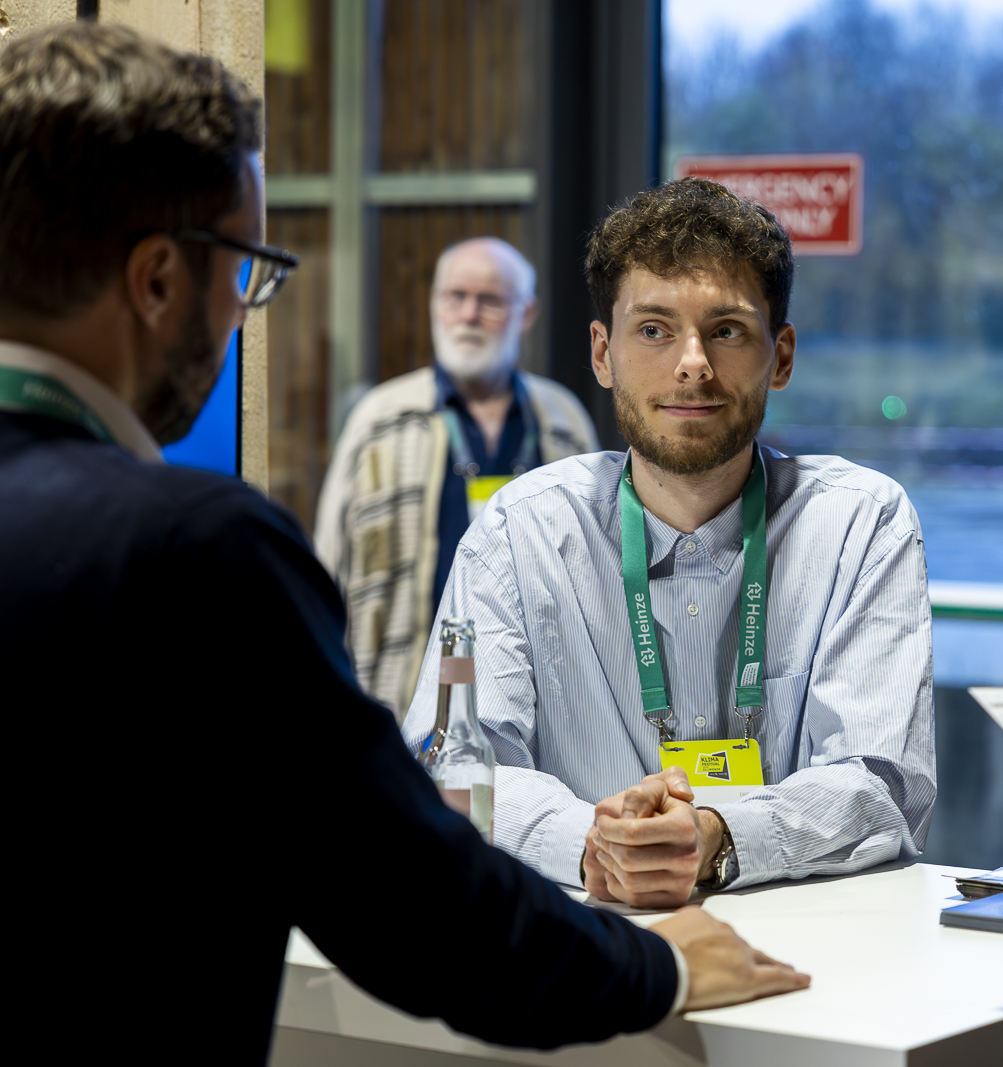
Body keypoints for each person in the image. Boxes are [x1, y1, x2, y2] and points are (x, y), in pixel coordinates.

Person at [0, 23, 805, 1062]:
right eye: (244, 270)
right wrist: (665, 965)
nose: (244, 311)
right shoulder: (194, 551)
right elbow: (414, 908)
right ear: (156, 281)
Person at [402, 177, 937, 908]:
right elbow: (451, 772)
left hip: (811, 966)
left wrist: (719, 832)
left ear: (780, 355)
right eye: (654, 329)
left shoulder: (860, 526)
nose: (692, 363)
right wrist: (592, 842)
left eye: (726, 330)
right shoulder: (515, 532)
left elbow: (882, 782)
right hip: (575, 949)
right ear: (602, 353)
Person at [315, 238, 598, 716]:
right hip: (397, 696)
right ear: (434, 305)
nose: (469, 315)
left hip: (537, 700)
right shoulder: (379, 418)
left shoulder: (562, 419)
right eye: (455, 297)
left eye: (489, 301)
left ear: (525, 314)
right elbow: (329, 565)